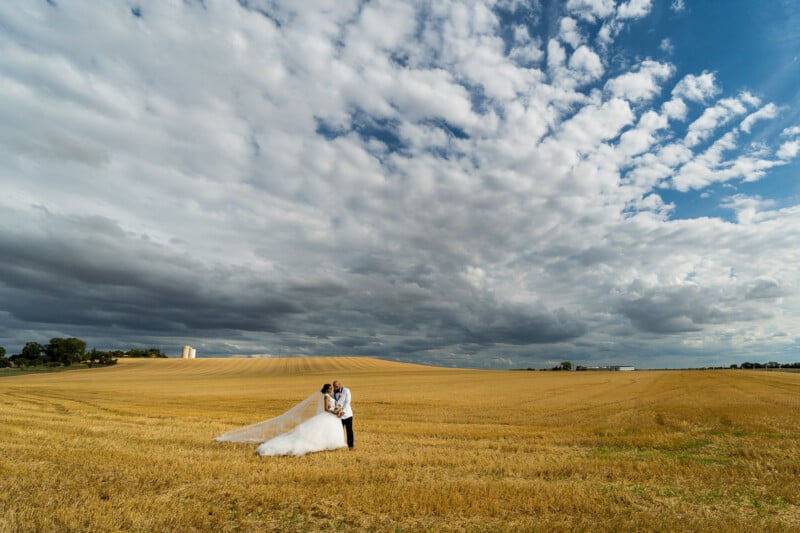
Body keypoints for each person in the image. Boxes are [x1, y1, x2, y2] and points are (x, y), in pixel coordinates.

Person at [216, 384, 347, 456]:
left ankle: (331, 445)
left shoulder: (329, 396)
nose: (331, 389)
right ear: (327, 389)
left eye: (332, 388)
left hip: (332, 417)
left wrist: (338, 411)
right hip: (329, 415)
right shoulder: (325, 396)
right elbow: (325, 408)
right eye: (330, 388)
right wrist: (334, 411)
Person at [333, 380, 354, 449]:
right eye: (334, 387)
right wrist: (336, 412)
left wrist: (342, 412)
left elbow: (347, 402)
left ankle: (351, 446)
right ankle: (339, 446)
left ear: (340, 385)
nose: (335, 388)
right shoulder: (333, 394)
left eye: (336, 386)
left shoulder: (346, 390)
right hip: (339, 416)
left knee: (349, 431)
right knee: (339, 431)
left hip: (347, 415)